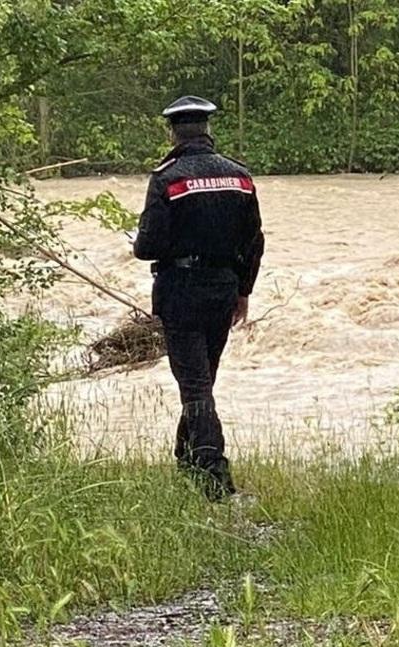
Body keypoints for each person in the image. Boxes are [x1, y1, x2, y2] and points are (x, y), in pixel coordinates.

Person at [133, 95, 265, 500]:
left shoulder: (167, 178)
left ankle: (215, 479)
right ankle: (187, 461)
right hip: (224, 290)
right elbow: (254, 241)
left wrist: (143, 241)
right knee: (202, 380)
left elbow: (147, 247)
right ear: (207, 129)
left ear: (173, 133)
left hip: (181, 292)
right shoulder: (239, 176)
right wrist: (244, 291)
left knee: (194, 386)